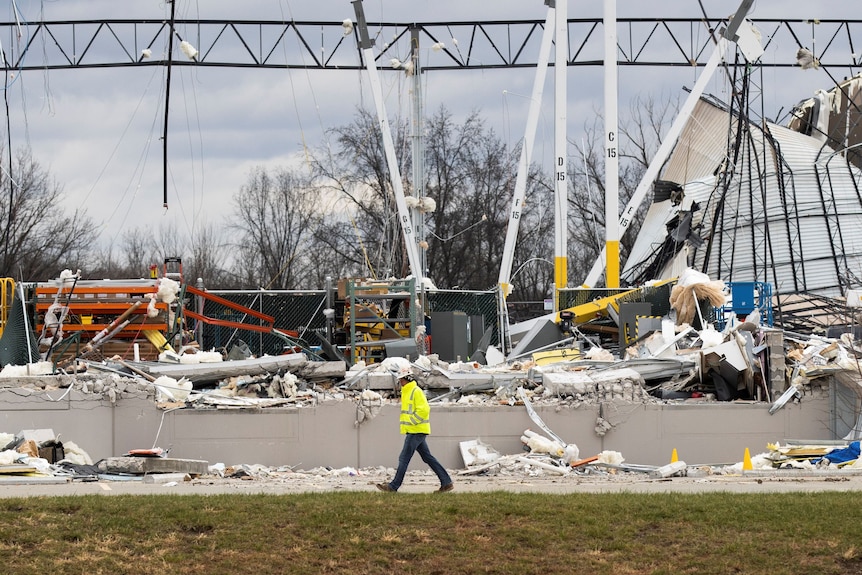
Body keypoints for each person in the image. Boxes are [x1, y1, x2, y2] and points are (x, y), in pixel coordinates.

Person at [376, 357, 454, 493]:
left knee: (403, 458)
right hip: (415, 430)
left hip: (416, 430)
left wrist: (412, 422)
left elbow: (424, 410)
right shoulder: (407, 391)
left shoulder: (415, 391)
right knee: (427, 457)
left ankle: (393, 486)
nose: (399, 382)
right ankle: (446, 482)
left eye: (401, 379)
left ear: (407, 379)